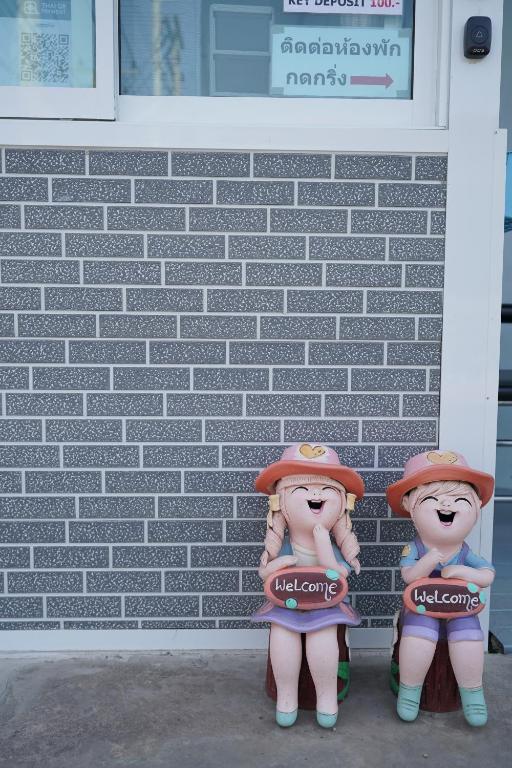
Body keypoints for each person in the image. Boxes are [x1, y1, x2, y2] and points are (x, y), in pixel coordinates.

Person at [251, 442, 364, 728]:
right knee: (282, 634)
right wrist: (275, 566)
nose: (315, 494)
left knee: (323, 636)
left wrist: (324, 544)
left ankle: (326, 697)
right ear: (282, 504)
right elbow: (267, 573)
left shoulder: (331, 545)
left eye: (326, 489)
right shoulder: (286, 545)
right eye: (303, 489)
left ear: (341, 505)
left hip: (326, 607)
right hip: (287, 607)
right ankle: (286, 697)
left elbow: (340, 575)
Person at [386, 450, 495, 726]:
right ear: (411, 505)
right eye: (432, 498)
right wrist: (430, 560)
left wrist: (462, 571)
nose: (447, 503)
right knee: (419, 638)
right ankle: (410, 692)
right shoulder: (416, 548)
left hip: (460, 609)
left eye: (460, 499)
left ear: (476, 507)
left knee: (468, 638)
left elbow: (487, 574)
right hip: (422, 607)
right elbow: (410, 576)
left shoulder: (464, 550)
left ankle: (473, 694)